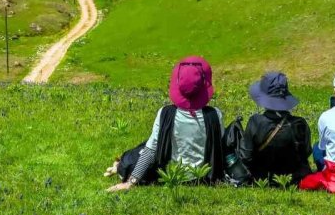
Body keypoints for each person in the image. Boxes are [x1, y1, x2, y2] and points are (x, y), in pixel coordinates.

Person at [106, 56, 224, 192]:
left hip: (171, 173)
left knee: (136, 153)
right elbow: (219, 142)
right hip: (202, 175)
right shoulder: (215, 114)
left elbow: (151, 149)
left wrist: (130, 182)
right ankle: (118, 165)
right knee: (142, 147)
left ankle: (118, 165)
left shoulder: (165, 113)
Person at [238, 71, 312, 185]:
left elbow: (245, 157)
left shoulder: (256, 122)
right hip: (294, 179)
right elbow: (306, 152)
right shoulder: (299, 124)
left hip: (262, 179)